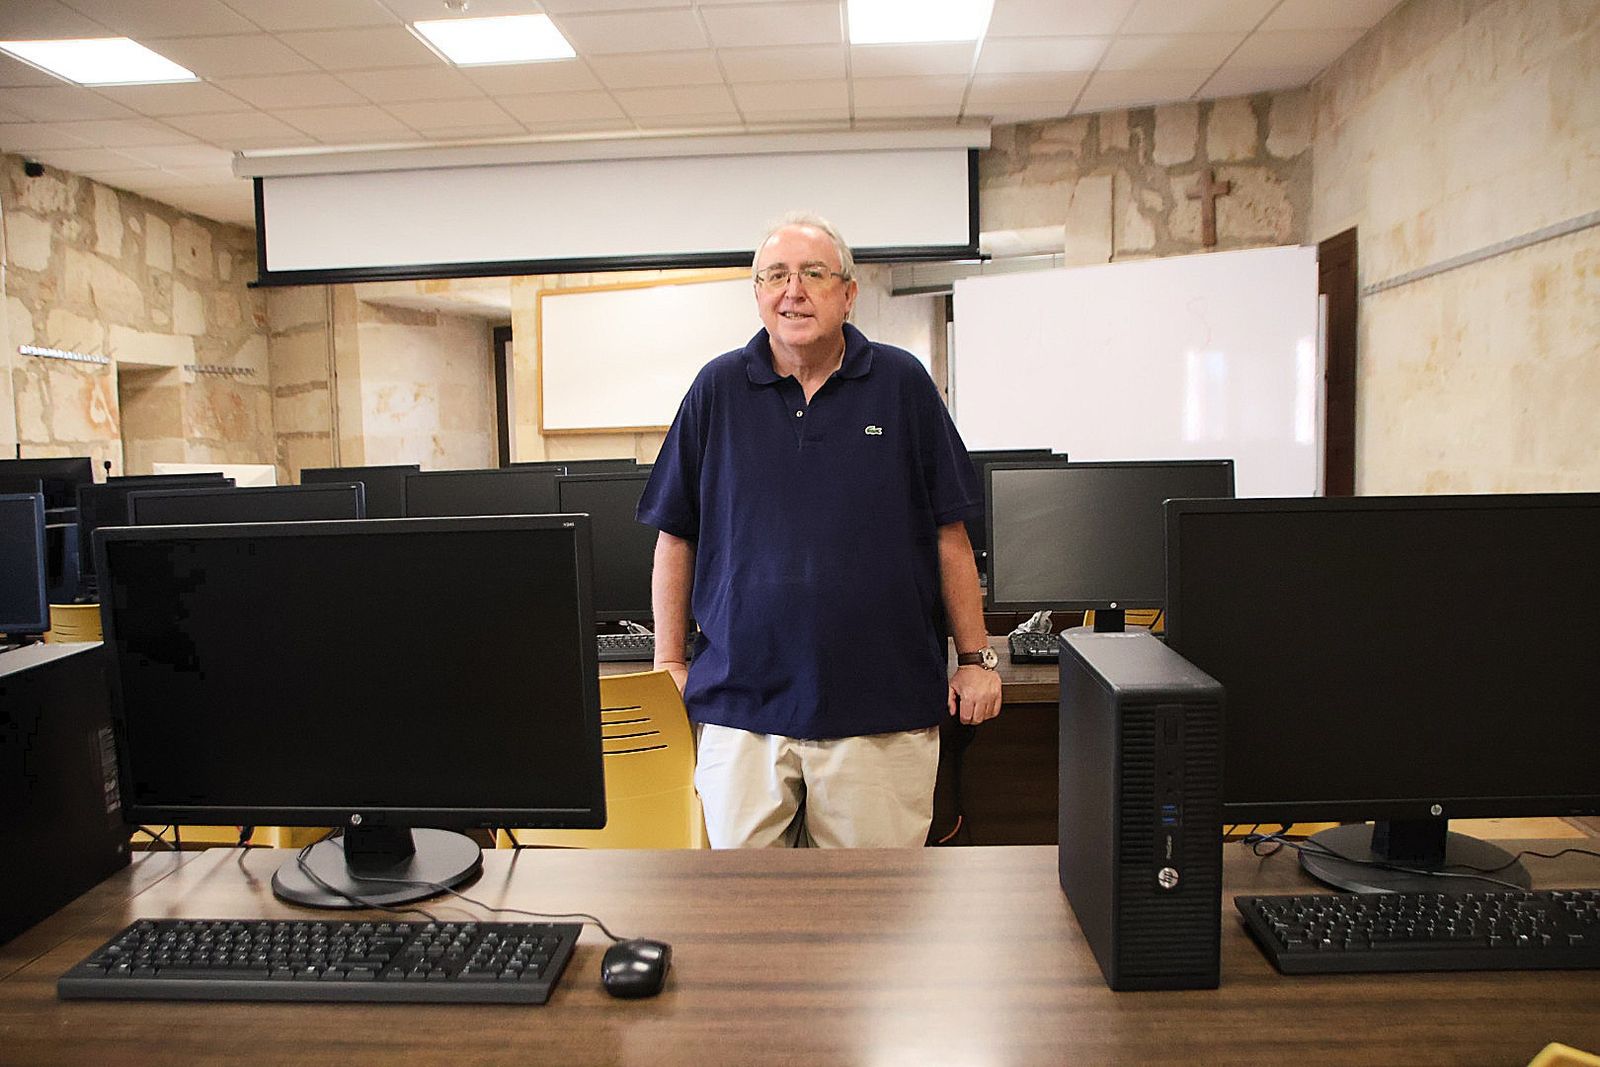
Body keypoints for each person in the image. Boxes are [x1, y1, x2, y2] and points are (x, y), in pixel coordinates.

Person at [637, 212, 1002, 849]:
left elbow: (950, 533)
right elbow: (676, 537)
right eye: (775, 276)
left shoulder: (902, 384)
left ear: (848, 293)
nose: (793, 291)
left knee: (875, 921)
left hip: (880, 709)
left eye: (812, 274)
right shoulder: (717, 388)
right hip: (742, 709)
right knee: (751, 919)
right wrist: (668, 660)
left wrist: (974, 660)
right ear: (757, 294)